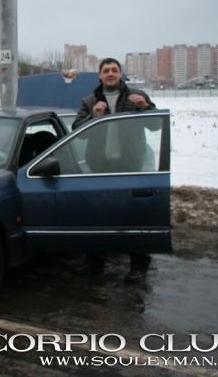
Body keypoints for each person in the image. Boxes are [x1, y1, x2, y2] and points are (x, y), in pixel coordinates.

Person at [72, 57, 156, 283]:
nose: (110, 73)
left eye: (114, 70)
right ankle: (95, 262)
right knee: (98, 216)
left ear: (120, 74)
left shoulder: (135, 97)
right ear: (99, 75)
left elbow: (156, 125)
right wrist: (94, 117)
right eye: (106, 70)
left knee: (133, 216)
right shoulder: (89, 101)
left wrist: (145, 107)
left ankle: (139, 264)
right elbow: (77, 131)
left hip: (130, 166)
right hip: (101, 167)